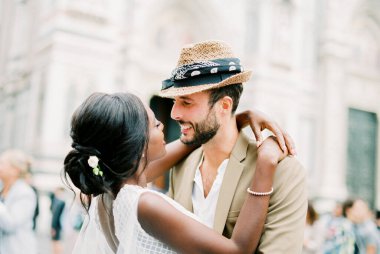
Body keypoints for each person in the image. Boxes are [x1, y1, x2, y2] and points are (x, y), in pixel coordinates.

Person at [64, 92, 289, 253]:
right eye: (154, 125)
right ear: (136, 145)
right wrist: (266, 164)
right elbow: (237, 250)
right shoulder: (144, 204)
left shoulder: (109, 192)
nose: (164, 124)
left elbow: (187, 142)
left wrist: (229, 120)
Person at [158, 40, 307, 252]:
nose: (174, 114)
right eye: (174, 102)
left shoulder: (284, 172)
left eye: (186, 102)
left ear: (224, 106)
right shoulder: (181, 167)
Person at [0, 149, 37, 254]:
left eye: (2, 163)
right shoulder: (3, 188)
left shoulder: (25, 192)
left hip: (18, 249)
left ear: (15, 170)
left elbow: (10, 223)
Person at [50, 187, 66, 254]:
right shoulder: (59, 201)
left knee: (56, 241)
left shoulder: (60, 202)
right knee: (57, 241)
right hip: (59, 224)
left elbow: (55, 216)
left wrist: (53, 227)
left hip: (57, 225)